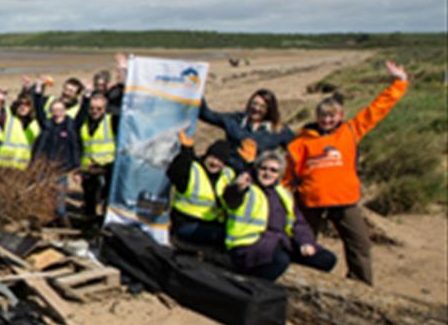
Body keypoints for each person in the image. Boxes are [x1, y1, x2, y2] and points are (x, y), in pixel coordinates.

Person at [285, 61, 409, 285]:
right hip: (311, 200)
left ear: (341, 116)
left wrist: (399, 83)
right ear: (317, 116)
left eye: (332, 116)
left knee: (359, 243)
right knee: (303, 241)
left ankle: (361, 283)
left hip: (344, 199)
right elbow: (289, 172)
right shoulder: (302, 141)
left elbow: (376, 110)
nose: (327, 119)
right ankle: (302, 278)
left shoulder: (350, 131)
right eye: (323, 115)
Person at [221, 150, 336, 281]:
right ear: (256, 169)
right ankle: (254, 289)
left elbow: (298, 222)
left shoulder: (283, 193)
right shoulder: (247, 188)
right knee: (280, 261)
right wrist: (237, 188)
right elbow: (231, 199)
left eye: (273, 170)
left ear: (279, 174)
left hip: (281, 242)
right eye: (263, 168)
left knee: (327, 259)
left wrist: (305, 242)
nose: (267, 173)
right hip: (250, 246)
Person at [166, 134, 237, 247]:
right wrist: (186, 152)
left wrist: (246, 164)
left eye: (220, 160)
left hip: (214, 223)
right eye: (213, 158)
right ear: (206, 155)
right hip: (187, 224)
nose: (215, 163)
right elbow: (175, 173)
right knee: (226, 236)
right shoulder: (192, 169)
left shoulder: (228, 174)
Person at [200, 89, 294, 171]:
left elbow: (297, 151)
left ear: (270, 110)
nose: (256, 108)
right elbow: (206, 115)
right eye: (254, 103)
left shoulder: (278, 130)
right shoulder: (235, 120)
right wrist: (197, 92)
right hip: (228, 173)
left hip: (256, 179)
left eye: (262, 106)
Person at [33, 98, 81, 222]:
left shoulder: (70, 126)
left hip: (62, 168)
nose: (57, 112)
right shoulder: (47, 126)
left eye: (60, 109)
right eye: (54, 110)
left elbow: (75, 148)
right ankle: (44, 220)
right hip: (45, 167)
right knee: (43, 196)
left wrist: (76, 169)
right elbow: (39, 111)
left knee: (59, 198)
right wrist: (37, 93)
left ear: (65, 111)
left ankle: (61, 220)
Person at [75, 92, 118, 220]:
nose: (95, 111)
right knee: (89, 197)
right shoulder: (84, 122)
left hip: (107, 167)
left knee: (107, 197)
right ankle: (90, 221)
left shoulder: (111, 121)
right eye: (92, 108)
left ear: (105, 109)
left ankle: (105, 221)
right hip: (88, 167)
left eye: (99, 108)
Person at [0, 94, 39, 170]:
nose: (23, 107)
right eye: (20, 104)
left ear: (31, 107)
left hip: (25, 168)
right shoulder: (8, 120)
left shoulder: (35, 125)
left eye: (27, 104)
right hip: (5, 167)